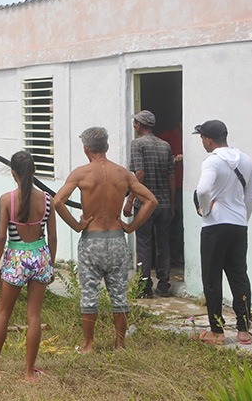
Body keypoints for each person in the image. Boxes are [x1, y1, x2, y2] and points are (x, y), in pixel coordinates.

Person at [54, 127, 157, 352]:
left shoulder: (81, 173)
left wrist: (77, 225)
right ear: (107, 148)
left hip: (92, 239)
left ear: (86, 149)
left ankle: (88, 344)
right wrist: (131, 227)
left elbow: (58, 202)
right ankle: (120, 344)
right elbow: (151, 200)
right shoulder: (122, 174)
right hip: (117, 239)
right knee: (119, 293)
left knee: (89, 292)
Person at [0, 151, 57, 381]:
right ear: (34, 171)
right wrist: (49, 264)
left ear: (13, 173)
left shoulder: (6, 200)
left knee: (3, 312)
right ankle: (29, 372)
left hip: (15, 259)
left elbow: (1, 237)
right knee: (34, 316)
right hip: (40, 255)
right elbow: (52, 238)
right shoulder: (48, 200)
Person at [193, 119, 252, 345]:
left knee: (212, 278)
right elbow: (251, 196)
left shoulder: (212, 162)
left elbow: (203, 189)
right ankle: (244, 330)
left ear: (208, 139)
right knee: (239, 275)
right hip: (239, 225)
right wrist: (243, 219)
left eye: (202, 138)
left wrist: (204, 208)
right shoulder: (246, 160)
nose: (202, 142)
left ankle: (217, 332)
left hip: (215, 226)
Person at [122, 110, 175, 298]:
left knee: (144, 244)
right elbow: (171, 176)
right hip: (164, 203)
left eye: (135, 123)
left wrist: (130, 200)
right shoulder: (165, 145)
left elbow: (139, 174)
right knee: (163, 244)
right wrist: (172, 204)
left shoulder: (137, 144)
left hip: (144, 204)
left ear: (139, 125)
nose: (134, 126)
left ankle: (144, 287)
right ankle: (164, 284)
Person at [156, 124, 184, 266]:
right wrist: (172, 158)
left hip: (185, 186)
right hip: (171, 186)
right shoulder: (167, 136)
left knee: (180, 222)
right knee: (173, 222)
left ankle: (178, 255)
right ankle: (175, 256)